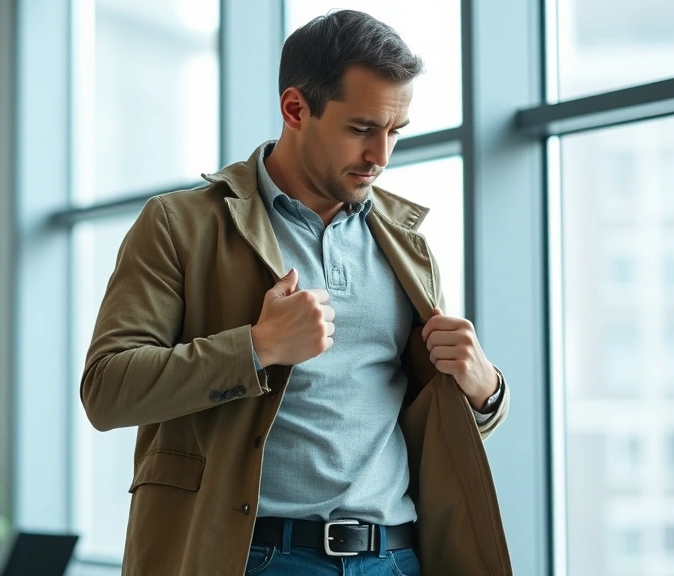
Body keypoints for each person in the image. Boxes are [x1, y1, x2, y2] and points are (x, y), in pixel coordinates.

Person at [81, 9, 512, 576]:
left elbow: (415, 412)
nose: (381, 156)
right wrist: (256, 347)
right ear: (295, 109)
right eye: (361, 129)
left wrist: (484, 394)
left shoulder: (409, 245)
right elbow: (107, 389)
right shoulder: (178, 225)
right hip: (255, 557)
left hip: (396, 556)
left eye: (394, 132)